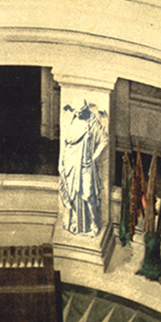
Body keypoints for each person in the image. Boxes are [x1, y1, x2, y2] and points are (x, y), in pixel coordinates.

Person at [59, 100, 108, 236]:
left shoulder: (92, 122)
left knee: (88, 194)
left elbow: (104, 139)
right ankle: (76, 222)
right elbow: (65, 143)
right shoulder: (71, 121)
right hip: (70, 162)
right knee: (72, 194)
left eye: (80, 111)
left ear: (85, 109)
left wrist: (94, 156)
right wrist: (60, 163)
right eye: (76, 111)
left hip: (86, 164)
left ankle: (95, 223)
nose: (78, 113)